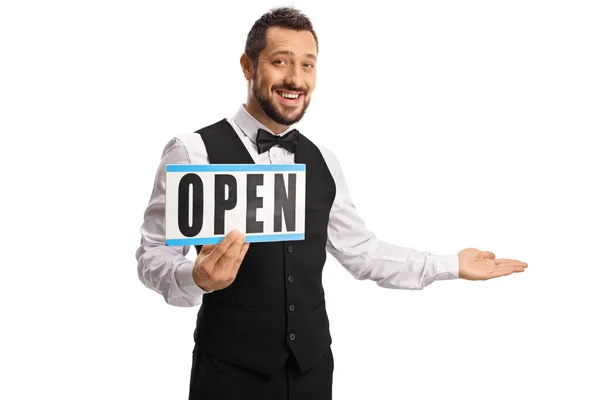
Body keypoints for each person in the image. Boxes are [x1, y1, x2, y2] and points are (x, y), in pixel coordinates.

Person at [135, 6, 528, 400]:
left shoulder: (323, 161)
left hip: (312, 373)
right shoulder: (192, 152)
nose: (296, 78)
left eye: (308, 65)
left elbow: (362, 252)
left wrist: (451, 265)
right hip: (228, 377)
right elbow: (153, 254)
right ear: (248, 66)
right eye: (280, 61)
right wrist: (195, 279)